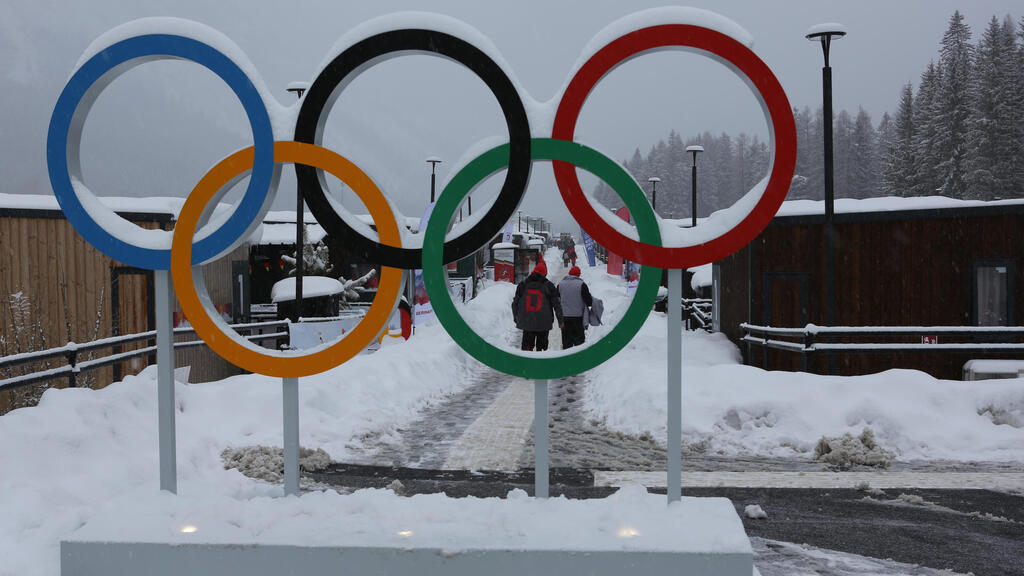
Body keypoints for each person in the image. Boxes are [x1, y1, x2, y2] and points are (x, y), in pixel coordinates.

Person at [512, 260, 563, 351]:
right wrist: (560, 320)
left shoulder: (523, 285)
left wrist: (516, 316)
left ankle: (527, 364)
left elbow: (515, 303)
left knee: (527, 349)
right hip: (544, 323)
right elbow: (556, 304)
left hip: (527, 322)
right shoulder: (549, 286)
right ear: (544, 274)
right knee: (541, 350)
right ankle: (540, 362)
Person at [557, 266, 593, 349]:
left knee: (566, 343)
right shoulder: (582, 285)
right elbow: (589, 302)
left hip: (565, 318)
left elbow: (557, 299)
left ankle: (566, 359)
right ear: (578, 275)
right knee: (579, 344)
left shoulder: (560, 284)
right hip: (578, 319)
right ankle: (578, 360)